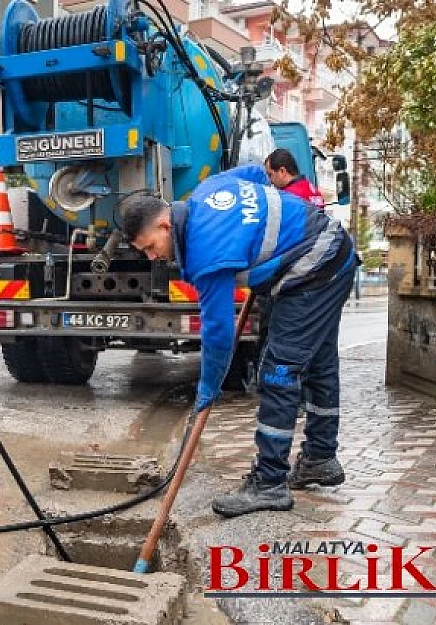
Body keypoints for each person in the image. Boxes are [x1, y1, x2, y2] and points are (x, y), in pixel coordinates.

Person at [122, 165, 357, 518]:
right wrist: (252, 227)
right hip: (331, 252)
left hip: (314, 265)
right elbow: (259, 174)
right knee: (319, 362)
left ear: (165, 225)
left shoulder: (207, 254)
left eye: (151, 247)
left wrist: (207, 388)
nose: (152, 258)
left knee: (279, 371)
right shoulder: (209, 187)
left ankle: (270, 484)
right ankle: (320, 458)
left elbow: (218, 335)